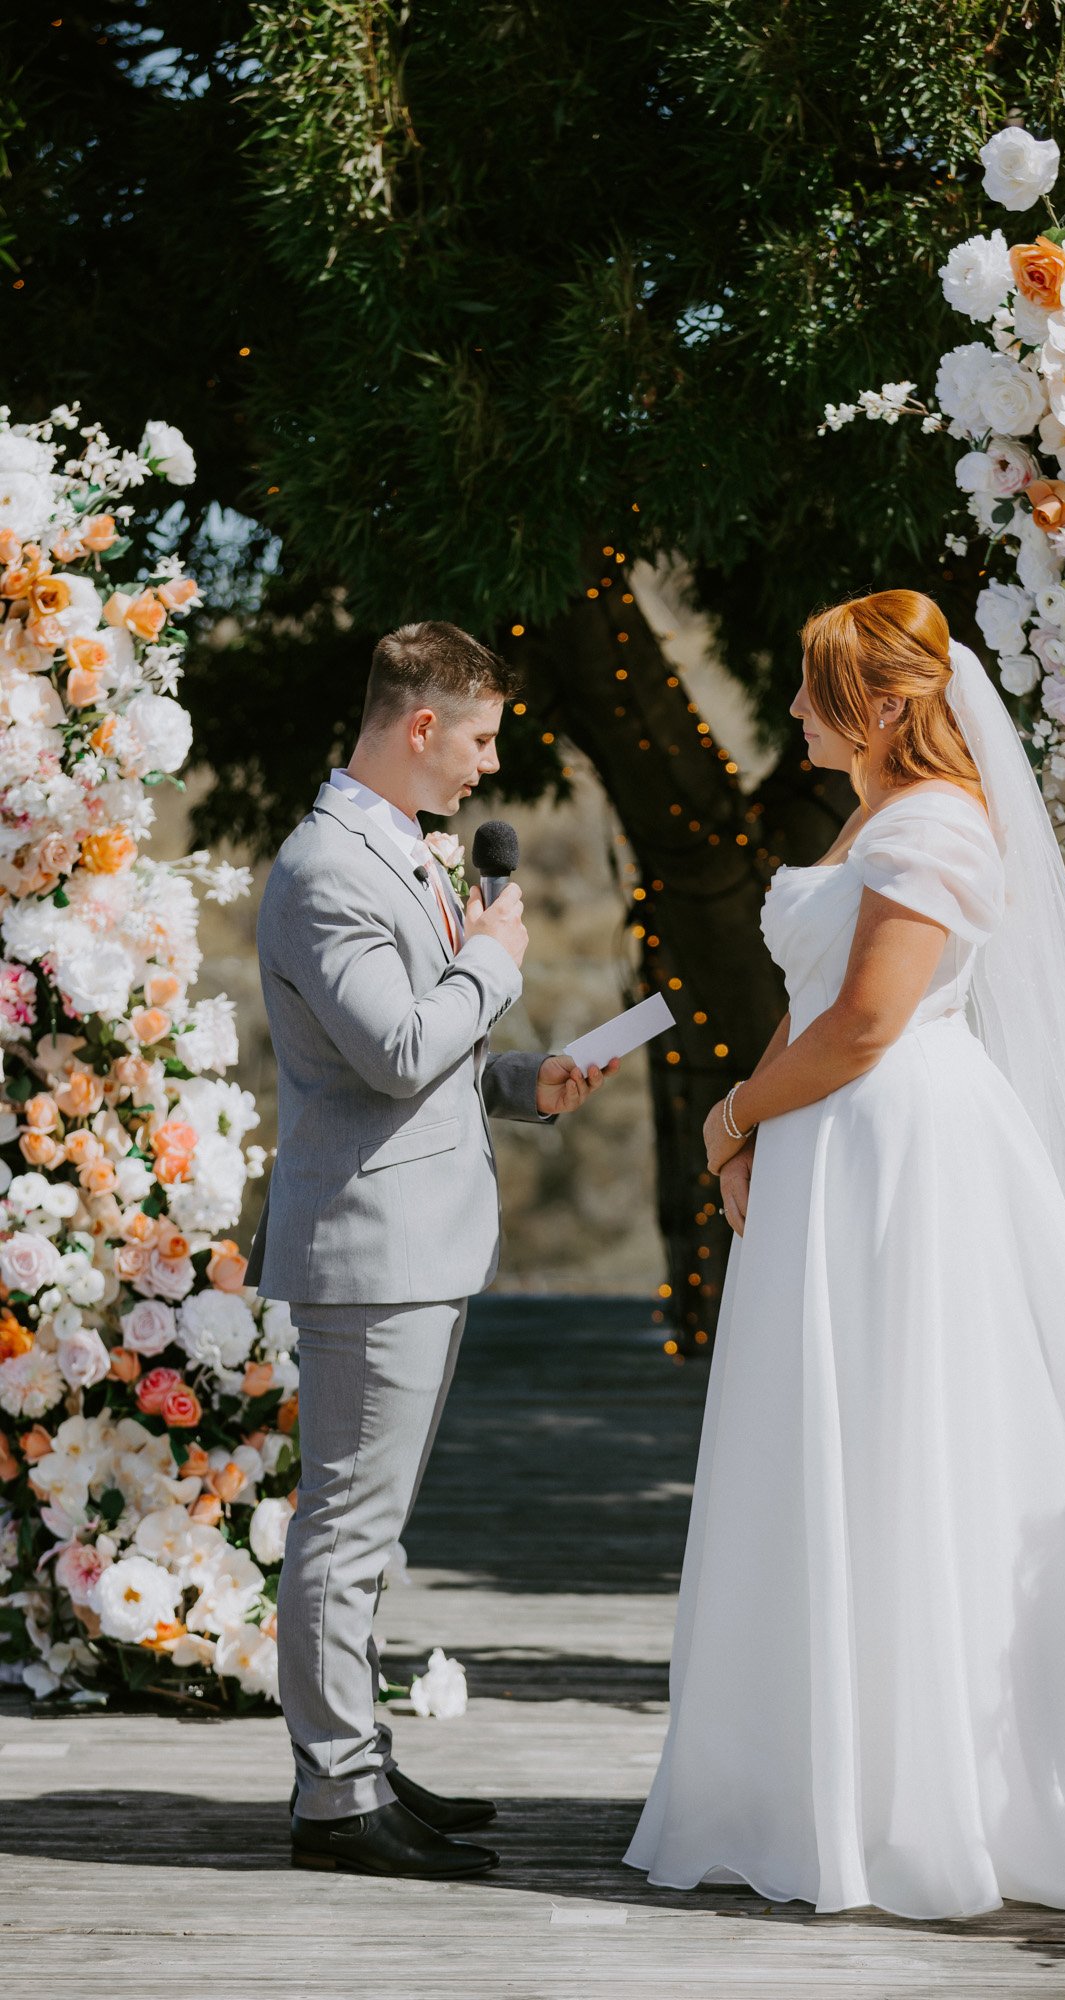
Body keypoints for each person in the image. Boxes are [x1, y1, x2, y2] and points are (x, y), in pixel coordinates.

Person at [625, 588, 1065, 1920]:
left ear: (882, 704)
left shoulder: (937, 823)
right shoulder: (869, 817)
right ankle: (823, 1774)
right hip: (827, 1146)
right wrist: (741, 1135)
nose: (791, 707)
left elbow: (868, 1022)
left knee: (913, 1440)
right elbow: (810, 1007)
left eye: (815, 687)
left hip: (897, 1154)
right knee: (832, 1440)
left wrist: (729, 1117)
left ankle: (936, 1787)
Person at [249, 620, 616, 1879]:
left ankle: (358, 1757)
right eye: (481, 736)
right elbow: (397, 1049)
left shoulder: (394, 846)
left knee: (369, 1528)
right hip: (372, 1248)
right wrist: (494, 962)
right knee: (345, 1528)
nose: (488, 763)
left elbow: (418, 1058)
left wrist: (522, 1078)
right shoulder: (325, 869)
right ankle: (335, 1796)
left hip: (418, 1237)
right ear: (420, 725)